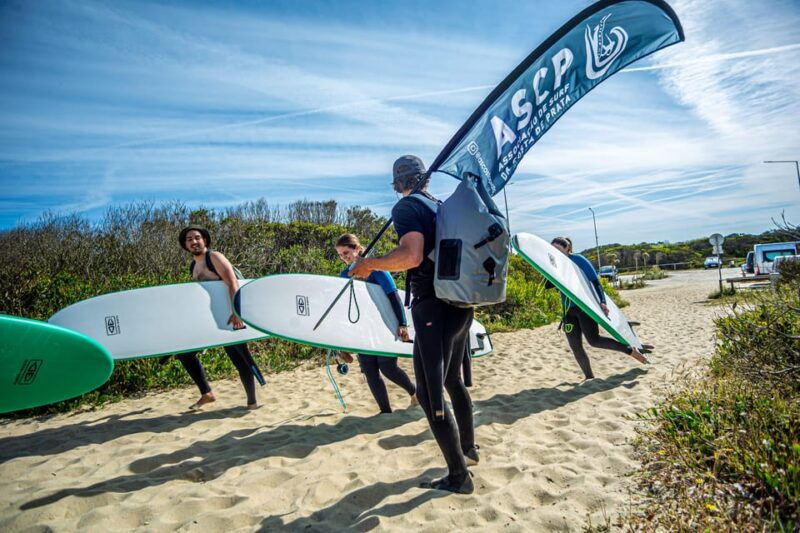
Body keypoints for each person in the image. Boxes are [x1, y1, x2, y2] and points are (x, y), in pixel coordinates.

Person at [349, 155, 477, 494]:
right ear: (426, 178)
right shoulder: (441, 207)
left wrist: (370, 265)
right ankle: (468, 448)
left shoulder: (406, 208)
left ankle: (458, 476)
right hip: (462, 300)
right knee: (453, 380)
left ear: (397, 182)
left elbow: (412, 256)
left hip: (433, 306)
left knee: (431, 394)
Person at [177, 226, 260, 410]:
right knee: (184, 353)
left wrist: (236, 312)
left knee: (239, 357)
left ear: (204, 240)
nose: (194, 241)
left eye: (197, 237)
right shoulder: (194, 266)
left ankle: (252, 402)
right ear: (185, 245)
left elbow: (233, 283)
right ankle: (206, 393)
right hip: (211, 319)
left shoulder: (214, 257)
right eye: (189, 239)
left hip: (231, 316)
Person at [334, 233, 417, 414]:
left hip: (383, 325)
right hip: (362, 329)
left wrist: (402, 323)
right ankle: (385, 412)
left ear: (357, 249)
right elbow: (343, 306)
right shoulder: (344, 275)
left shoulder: (377, 269)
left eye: (346, 252)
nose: (343, 257)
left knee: (387, 367)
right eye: (340, 255)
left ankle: (414, 392)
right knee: (369, 370)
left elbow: (393, 296)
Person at [550, 236, 651, 380]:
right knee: (575, 347)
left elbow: (595, 282)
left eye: (558, 248)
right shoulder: (555, 263)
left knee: (594, 341)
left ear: (567, 249)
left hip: (584, 308)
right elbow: (551, 284)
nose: (554, 251)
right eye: (552, 248)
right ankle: (589, 378)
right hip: (568, 311)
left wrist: (602, 302)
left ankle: (630, 350)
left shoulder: (579, 260)